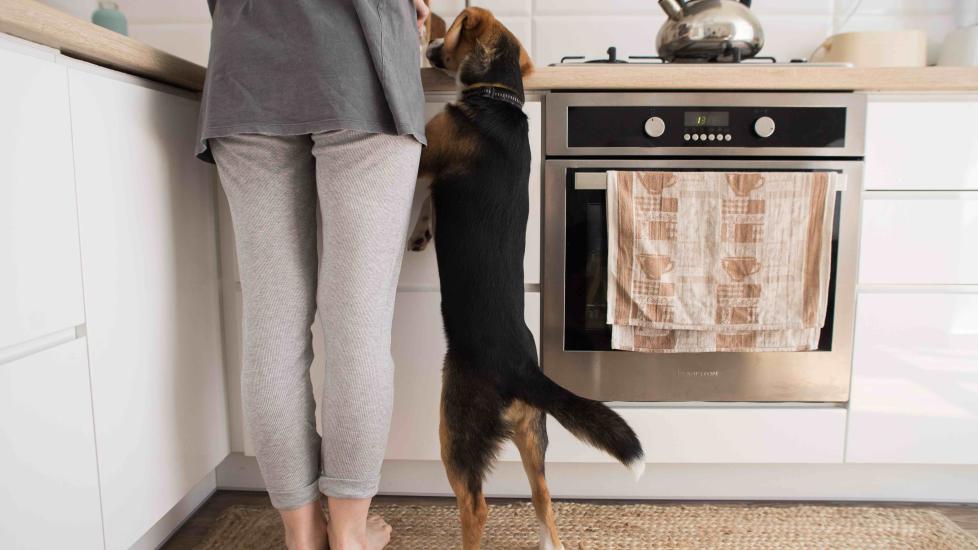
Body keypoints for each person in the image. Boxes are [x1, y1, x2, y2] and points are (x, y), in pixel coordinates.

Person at [196, 1, 430, 549]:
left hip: (246, 71)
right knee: (357, 330)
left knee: (272, 328)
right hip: (362, 67)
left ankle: (302, 538)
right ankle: (347, 536)